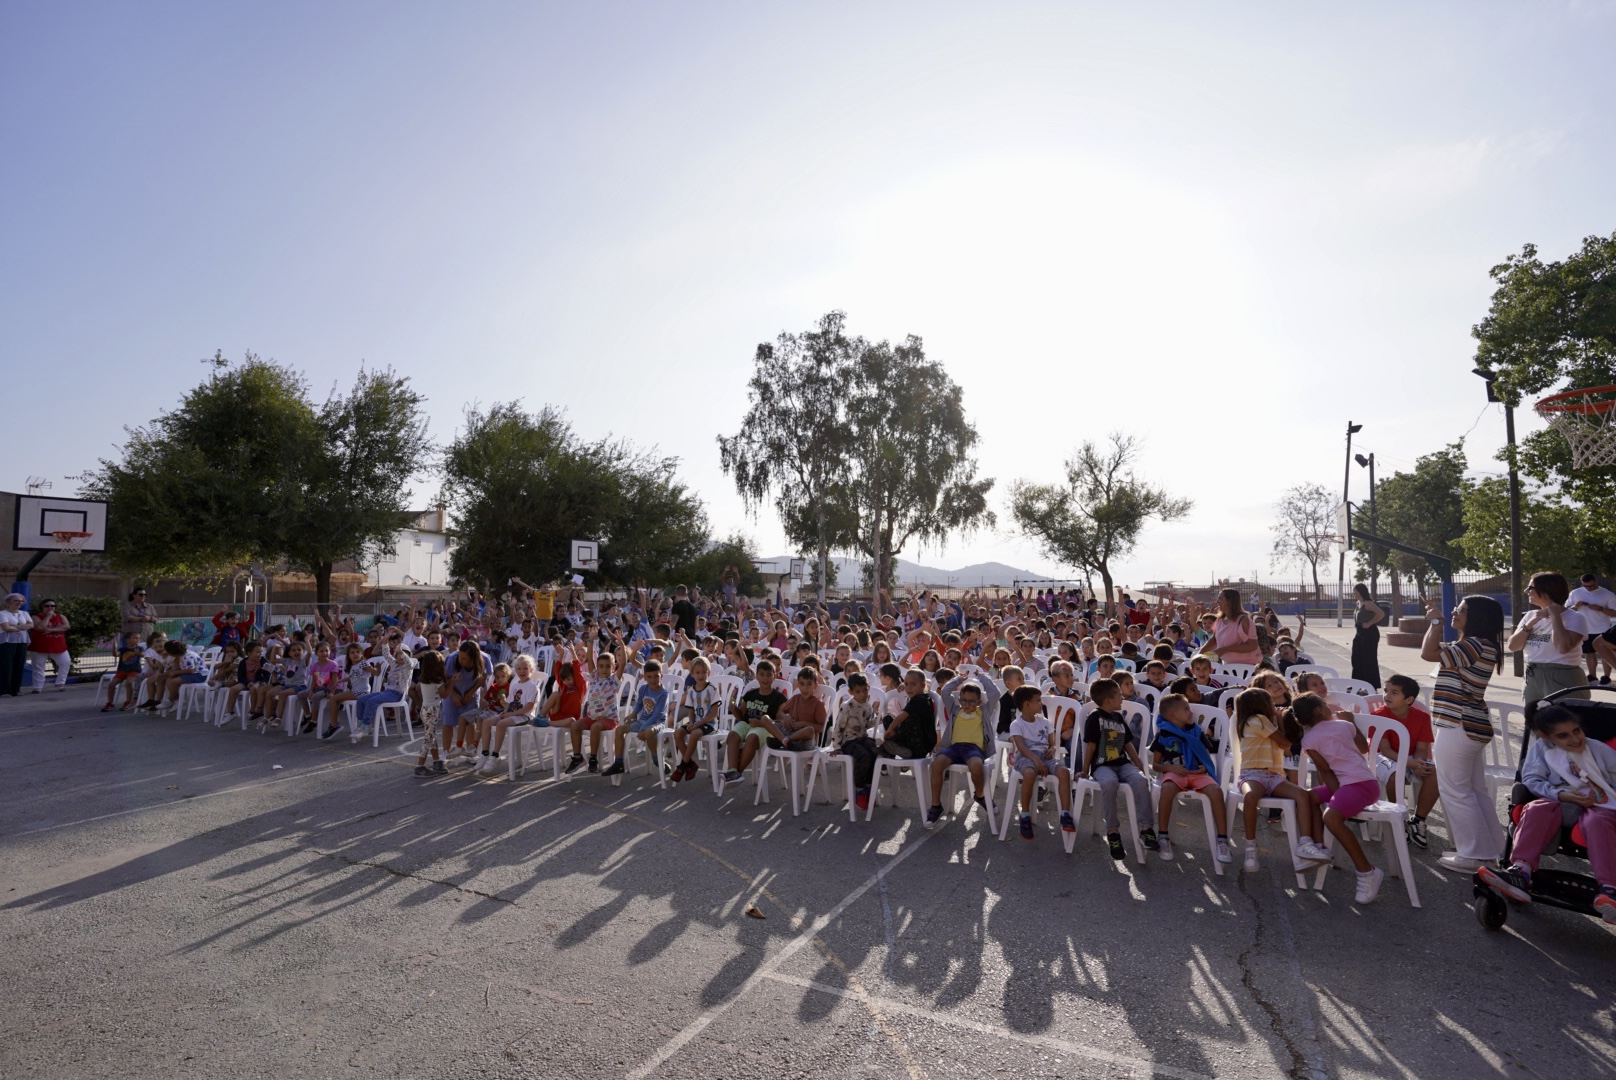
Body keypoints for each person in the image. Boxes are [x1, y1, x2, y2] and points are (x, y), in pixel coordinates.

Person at [1480, 705, 1616, 922]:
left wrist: (1599, 794)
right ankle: (1521, 872)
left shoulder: (1598, 749)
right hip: (1559, 798)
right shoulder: (1543, 750)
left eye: (1577, 731)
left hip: (1600, 803)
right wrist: (1561, 795)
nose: (1574, 739)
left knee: (1597, 821)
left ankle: (1610, 888)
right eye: (1563, 736)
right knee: (1536, 808)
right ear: (1545, 737)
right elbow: (1533, 779)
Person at [1420, 594, 1506, 873]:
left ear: (1477, 617)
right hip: (1470, 725)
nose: (1455, 611)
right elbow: (1434, 651)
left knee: (1455, 790)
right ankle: (1492, 850)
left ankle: (1475, 854)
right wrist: (1436, 623)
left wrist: (1435, 622)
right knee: (1474, 790)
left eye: (1463, 609)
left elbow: (1428, 653)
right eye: (1457, 607)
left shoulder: (1473, 645)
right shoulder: (1478, 645)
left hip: (1458, 724)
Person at [1293, 693, 1385, 904]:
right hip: (1349, 786)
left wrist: (1337, 798)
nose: (1328, 707)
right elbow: (1364, 748)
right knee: (1308, 797)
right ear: (1319, 710)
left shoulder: (1310, 739)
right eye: (1325, 704)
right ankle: (1318, 849)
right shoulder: (1343, 725)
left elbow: (1325, 771)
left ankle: (1367, 871)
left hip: (1361, 784)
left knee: (1331, 817)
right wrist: (1351, 721)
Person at [1231, 687, 1324, 872]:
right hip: (1252, 774)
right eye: (1270, 702)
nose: (1275, 705)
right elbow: (1285, 742)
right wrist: (1280, 719)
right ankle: (1251, 847)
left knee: (1302, 795)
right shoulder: (1258, 720)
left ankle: (1305, 842)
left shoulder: (1266, 722)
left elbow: (1286, 744)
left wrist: (1278, 720)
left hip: (1274, 776)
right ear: (1261, 705)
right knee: (1251, 797)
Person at [1151, 693, 1232, 863]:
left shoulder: (1197, 732)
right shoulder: (1163, 735)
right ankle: (1163, 836)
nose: (1191, 712)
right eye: (1186, 709)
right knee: (1167, 789)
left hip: (1197, 773)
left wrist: (1203, 767)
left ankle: (1222, 840)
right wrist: (1170, 767)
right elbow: (1156, 765)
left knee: (1216, 791)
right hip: (1175, 772)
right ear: (1172, 714)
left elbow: (1206, 756)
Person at [1080, 678, 1156, 859]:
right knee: (1109, 783)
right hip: (1102, 765)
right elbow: (1090, 746)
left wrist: (1137, 761)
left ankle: (1146, 829)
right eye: (1119, 696)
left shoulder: (1118, 717)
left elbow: (1127, 742)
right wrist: (1084, 770)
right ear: (1108, 701)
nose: (1122, 698)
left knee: (1140, 780)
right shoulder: (1094, 718)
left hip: (1122, 763)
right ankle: (1113, 832)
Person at [1368, 674, 1438, 848]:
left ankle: (1418, 820)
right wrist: (1410, 764)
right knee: (1394, 775)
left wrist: (1420, 763)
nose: (1387, 696)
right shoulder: (1378, 715)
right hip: (1383, 757)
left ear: (1409, 699)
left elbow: (1422, 748)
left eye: (1394, 692)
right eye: (1386, 691)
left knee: (1435, 773)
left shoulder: (1422, 717)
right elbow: (1385, 750)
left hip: (1410, 757)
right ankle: (1398, 817)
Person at [1510, 571, 1592, 706]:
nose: (1526, 591)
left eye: (1531, 587)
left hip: (1562, 676)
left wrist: (1555, 617)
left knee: (1565, 721)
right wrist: (1531, 622)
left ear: (1547, 591)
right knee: (1534, 723)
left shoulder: (1575, 618)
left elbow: (1563, 647)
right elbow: (1513, 646)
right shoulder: (1530, 615)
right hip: (1533, 674)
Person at [925, 677, 996, 827]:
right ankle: (936, 806)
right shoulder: (955, 709)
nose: (967, 704)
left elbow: (995, 693)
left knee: (976, 765)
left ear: (979, 702)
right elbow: (945, 691)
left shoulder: (983, 711)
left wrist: (982, 677)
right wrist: (959, 679)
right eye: (963, 700)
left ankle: (980, 795)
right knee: (937, 763)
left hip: (973, 748)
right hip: (954, 747)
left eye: (971, 701)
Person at [1008, 684, 1075, 840]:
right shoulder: (1017, 724)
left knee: (1064, 772)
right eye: (1038, 701)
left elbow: (1052, 744)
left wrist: (1052, 749)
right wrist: (1036, 760)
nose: (1042, 704)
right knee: (1030, 774)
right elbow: (1021, 747)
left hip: (1046, 756)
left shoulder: (1045, 722)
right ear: (1027, 705)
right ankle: (1025, 815)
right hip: (1026, 757)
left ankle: (1065, 814)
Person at [721, 660, 789, 784]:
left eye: (769, 674)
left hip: (765, 728)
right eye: (762, 674)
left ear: (774, 676)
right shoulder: (750, 694)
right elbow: (741, 716)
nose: (765, 678)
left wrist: (761, 723)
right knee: (732, 735)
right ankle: (732, 770)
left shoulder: (779, 698)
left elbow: (780, 722)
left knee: (752, 738)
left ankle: (737, 773)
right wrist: (734, 709)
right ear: (756, 676)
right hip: (746, 724)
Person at [474, 653, 543, 775]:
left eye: (525, 668)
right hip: (512, 714)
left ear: (531, 670)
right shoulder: (514, 685)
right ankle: (485, 754)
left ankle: (495, 755)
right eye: (519, 669)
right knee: (486, 722)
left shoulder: (533, 686)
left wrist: (510, 714)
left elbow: (529, 707)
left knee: (501, 724)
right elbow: (510, 704)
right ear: (515, 670)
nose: (522, 671)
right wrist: (504, 708)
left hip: (524, 716)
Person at [603, 660, 670, 777]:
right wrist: (633, 714)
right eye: (649, 677)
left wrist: (643, 729)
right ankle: (619, 762)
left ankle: (656, 759)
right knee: (619, 730)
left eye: (656, 676)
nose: (653, 679)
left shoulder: (663, 693)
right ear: (645, 677)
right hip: (642, 721)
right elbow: (639, 704)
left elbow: (658, 715)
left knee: (649, 732)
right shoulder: (643, 688)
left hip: (657, 722)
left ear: (661, 676)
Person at [833, 673, 882, 811]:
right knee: (864, 756)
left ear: (868, 688)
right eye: (858, 692)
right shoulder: (847, 706)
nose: (862, 694)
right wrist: (836, 746)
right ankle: (859, 790)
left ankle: (870, 787)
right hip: (849, 741)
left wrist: (877, 720)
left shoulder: (867, 706)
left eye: (864, 690)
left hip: (862, 737)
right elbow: (838, 727)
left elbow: (865, 725)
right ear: (851, 692)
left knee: (874, 752)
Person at [669, 656, 721, 783]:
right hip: (696, 722)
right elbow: (691, 711)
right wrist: (692, 722)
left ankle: (682, 766)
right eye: (697, 672)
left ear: (708, 673)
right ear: (692, 674)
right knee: (677, 733)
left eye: (704, 672)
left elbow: (714, 714)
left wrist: (698, 725)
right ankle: (691, 764)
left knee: (694, 734)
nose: (701, 675)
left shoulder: (712, 689)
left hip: (709, 724)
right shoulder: (691, 691)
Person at [1569, 573, 1616, 684]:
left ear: (1596, 582)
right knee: (1589, 653)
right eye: (1586, 586)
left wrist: (1600, 608)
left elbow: (1614, 612)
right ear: (1582, 584)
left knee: (1605, 653)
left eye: (1591, 586)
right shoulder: (1575, 593)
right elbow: (1567, 609)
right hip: (1585, 628)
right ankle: (1592, 676)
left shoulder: (1607, 594)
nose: (1589, 588)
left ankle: (1606, 677)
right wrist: (1575, 607)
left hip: (1602, 628)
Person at [413, 650, 448, 776]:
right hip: (432, 711)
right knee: (429, 739)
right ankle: (420, 766)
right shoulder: (437, 679)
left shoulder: (425, 678)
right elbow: (444, 694)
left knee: (432, 737)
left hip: (425, 709)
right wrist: (452, 682)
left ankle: (436, 761)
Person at [27, 598, 71, 692]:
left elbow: (66, 626)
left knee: (65, 662)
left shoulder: (60, 616)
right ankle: (37, 687)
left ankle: (60, 683)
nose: (50, 608)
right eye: (47, 606)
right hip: (39, 646)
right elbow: (40, 627)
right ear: (42, 607)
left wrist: (51, 630)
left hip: (58, 646)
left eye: (52, 606)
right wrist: (48, 617)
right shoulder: (36, 617)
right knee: (38, 667)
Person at [1210, 588, 1261, 667]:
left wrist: (1225, 649)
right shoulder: (1220, 619)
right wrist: (1200, 653)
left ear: (1229, 601)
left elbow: (1252, 645)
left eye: (1220, 598)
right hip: (1228, 666)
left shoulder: (1243, 620)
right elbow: (1214, 640)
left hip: (1248, 667)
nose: (1217, 601)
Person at [1350, 583, 1385, 688]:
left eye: (1354, 591)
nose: (1353, 593)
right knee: (1356, 658)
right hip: (1359, 632)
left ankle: (1371, 686)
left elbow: (1381, 614)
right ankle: (1357, 684)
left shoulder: (1368, 603)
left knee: (1368, 659)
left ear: (1359, 592)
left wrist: (1370, 623)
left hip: (1369, 633)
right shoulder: (1358, 603)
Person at [0, 593, 32, 696]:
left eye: (21, 601)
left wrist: (15, 626)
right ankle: (4, 690)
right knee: (6, 666)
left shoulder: (24, 613)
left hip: (22, 641)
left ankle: (15, 689)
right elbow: (6, 628)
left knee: (19, 665)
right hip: (7, 642)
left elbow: (31, 625)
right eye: (16, 601)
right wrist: (22, 627)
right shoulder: (3, 613)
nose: (19, 603)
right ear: (9, 602)